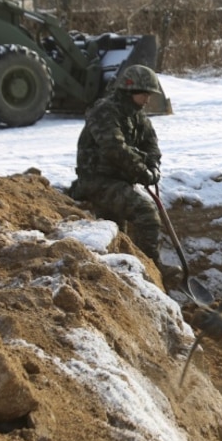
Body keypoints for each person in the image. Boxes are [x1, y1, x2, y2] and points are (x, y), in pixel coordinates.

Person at [70, 64, 180, 286]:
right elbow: (114, 148)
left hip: (118, 181)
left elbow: (151, 145)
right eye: (144, 94)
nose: (147, 100)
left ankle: (128, 273)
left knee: (117, 232)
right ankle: (152, 267)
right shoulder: (105, 111)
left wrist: (153, 166)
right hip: (97, 181)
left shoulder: (137, 115)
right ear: (130, 91)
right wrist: (141, 171)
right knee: (146, 212)